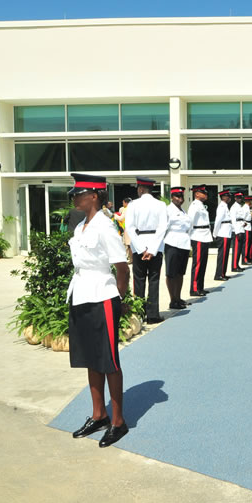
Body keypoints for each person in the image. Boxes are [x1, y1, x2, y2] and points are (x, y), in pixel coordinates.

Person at [66, 173, 130, 448]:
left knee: (108, 360)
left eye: (78, 194)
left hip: (103, 296)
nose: (74, 198)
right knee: (91, 358)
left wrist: (120, 299)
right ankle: (98, 414)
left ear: (93, 195)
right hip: (80, 293)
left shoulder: (105, 226)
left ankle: (117, 421)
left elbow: (122, 267)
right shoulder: (81, 225)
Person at [124, 177, 168, 324]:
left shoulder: (133, 204)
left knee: (139, 280)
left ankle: (140, 314)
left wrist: (142, 249)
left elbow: (129, 227)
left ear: (141, 189)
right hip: (156, 245)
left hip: (139, 245)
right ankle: (153, 314)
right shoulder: (161, 205)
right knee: (154, 280)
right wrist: (153, 249)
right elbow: (163, 228)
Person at [162, 187, 191, 309]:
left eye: (181, 197)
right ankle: (172, 300)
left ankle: (178, 298)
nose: (180, 199)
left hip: (184, 243)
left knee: (180, 273)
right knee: (171, 273)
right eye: (177, 196)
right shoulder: (168, 210)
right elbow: (164, 227)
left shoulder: (183, 211)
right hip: (172, 243)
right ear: (172, 197)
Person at [188, 185, 212, 296]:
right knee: (197, 264)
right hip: (197, 236)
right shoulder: (194, 206)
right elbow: (190, 222)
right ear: (197, 194)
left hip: (204, 236)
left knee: (203, 263)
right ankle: (194, 288)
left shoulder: (201, 205)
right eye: (203, 192)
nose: (205, 194)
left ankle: (200, 287)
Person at [213, 190, 233, 281]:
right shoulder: (221, 207)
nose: (229, 198)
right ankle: (219, 275)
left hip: (226, 232)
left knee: (225, 255)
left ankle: (223, 273)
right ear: (223, 197)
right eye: (228, 196)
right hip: (223, 233)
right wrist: (215, 233)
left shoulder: (225, 206)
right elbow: (218, 221)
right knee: (222, 255)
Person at [230, 192, 246, 272]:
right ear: (235, 198)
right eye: (238, 197)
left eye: (241, 197)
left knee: (239, 249)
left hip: (241, 228)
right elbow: (233, 220)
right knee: (236, 249)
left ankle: (237, 264)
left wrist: (244, 223)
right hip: (237, 230)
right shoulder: (234, 207)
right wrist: (236, 232)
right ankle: (234, 266)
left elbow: (241, 218)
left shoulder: (240, 206)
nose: (240, 198)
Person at [114, 197, 133, 262]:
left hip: (128, 228)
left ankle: (131, 259)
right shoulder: (134, 208)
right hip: (134, 228)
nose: (123, 204)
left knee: (128, 244)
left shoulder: (126, 209)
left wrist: (115, 216)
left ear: (126, 203)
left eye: (123, 203)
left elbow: (121, 218)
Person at [242, 195, 252, 265]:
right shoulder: (245, 208)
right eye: (250, 201)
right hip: (246, 226)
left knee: (248, 243)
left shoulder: (248, 208)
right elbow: (242, 218)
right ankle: (245, 259)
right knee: (246, 244)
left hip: (249, 226)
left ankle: (248, 257)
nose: (251, 202)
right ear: (248, 201)